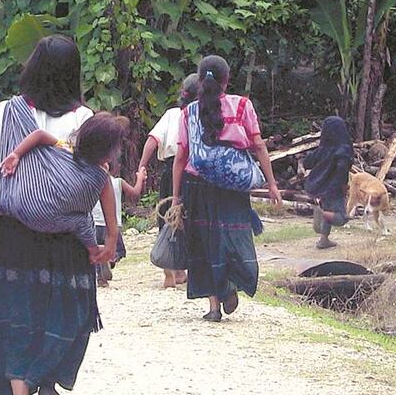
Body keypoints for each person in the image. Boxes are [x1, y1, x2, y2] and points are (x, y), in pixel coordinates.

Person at [0, 35, 105, 395]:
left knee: (13, 315)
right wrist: (102, 236)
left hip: (13, 232)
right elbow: (94, 181)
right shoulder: (84, 119)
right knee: (70, 314)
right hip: (66, 239)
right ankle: (44, 381)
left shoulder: (5, 112)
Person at [171, 56, 282, 323]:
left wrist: (176, 196)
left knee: (204, 241)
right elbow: (258, 146)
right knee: (232, 238)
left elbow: (181, 157)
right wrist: (271, 183)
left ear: (200, 80)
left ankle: (213, 306)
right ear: (227, 79)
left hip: (197, 186)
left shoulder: (189, 112)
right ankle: (230, 284)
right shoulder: (242, 105)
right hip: (233, 187)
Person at [0, 109, 128, 265]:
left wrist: (15, 154)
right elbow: (110, 217)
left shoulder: (63, 148)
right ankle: (94, 251)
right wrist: (110, 242)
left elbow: (38, 135)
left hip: (23, 208)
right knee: (83, 221)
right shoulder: (101, 177)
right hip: (60, 223)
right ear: (109, 153)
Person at [138, 74, 198, 288]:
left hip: (169, 169)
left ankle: (171, 273)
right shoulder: (201, 115)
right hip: (193, 169)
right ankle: (188, 270)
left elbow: (153, 140)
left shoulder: (172, 114)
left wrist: (142, 165)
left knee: (168, 217)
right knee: (192, 217)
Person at [92, 161, 146, 287]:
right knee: (119, 251)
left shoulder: (90, 181)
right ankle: (110, 261)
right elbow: (135, 192)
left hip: (94, 224)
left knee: (97, 252)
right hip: (112, 225)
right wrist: (140, 178)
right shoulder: (118, 182)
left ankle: (101, 279)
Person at [303, 116, 354, 249]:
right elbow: (342, 168)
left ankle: (324, 240)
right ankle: (321, 214)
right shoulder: (344, 149)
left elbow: (307, 162)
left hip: (319, 187)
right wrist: (343, 185)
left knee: (329, 210)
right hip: (334, 189)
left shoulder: (322, 149)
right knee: (341, 218)